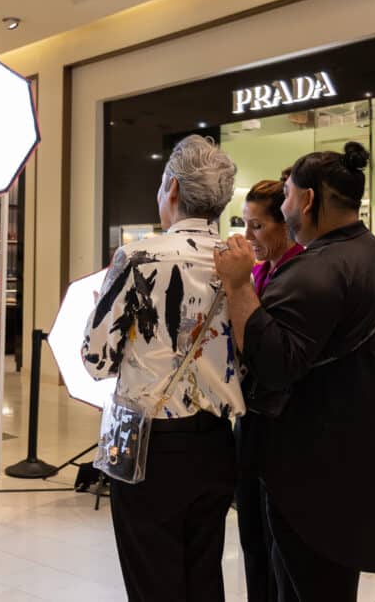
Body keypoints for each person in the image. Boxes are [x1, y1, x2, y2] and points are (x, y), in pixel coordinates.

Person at [214, 142, 375, 601]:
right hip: (360, 465)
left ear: (308, 199)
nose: (284, 206)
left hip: (313, 477)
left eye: (289, 196)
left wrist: (238, 286)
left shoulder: (316, 270)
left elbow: (274, 363)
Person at [82, 135, 245, 602]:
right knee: (204, 575)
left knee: (153, 579)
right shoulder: (238, 262)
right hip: (217, 442)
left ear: (172, 188)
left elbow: (96, 359)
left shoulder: (139, 257)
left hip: (150, 445)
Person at [236, 176, 302, 602]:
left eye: (257, 226)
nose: (248, 237)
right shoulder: (258, 271)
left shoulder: (300, 274)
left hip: (283, 424)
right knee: (251, 537)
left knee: (278, 544)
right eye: (244, 225)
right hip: (250, 416)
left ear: (284, 224)